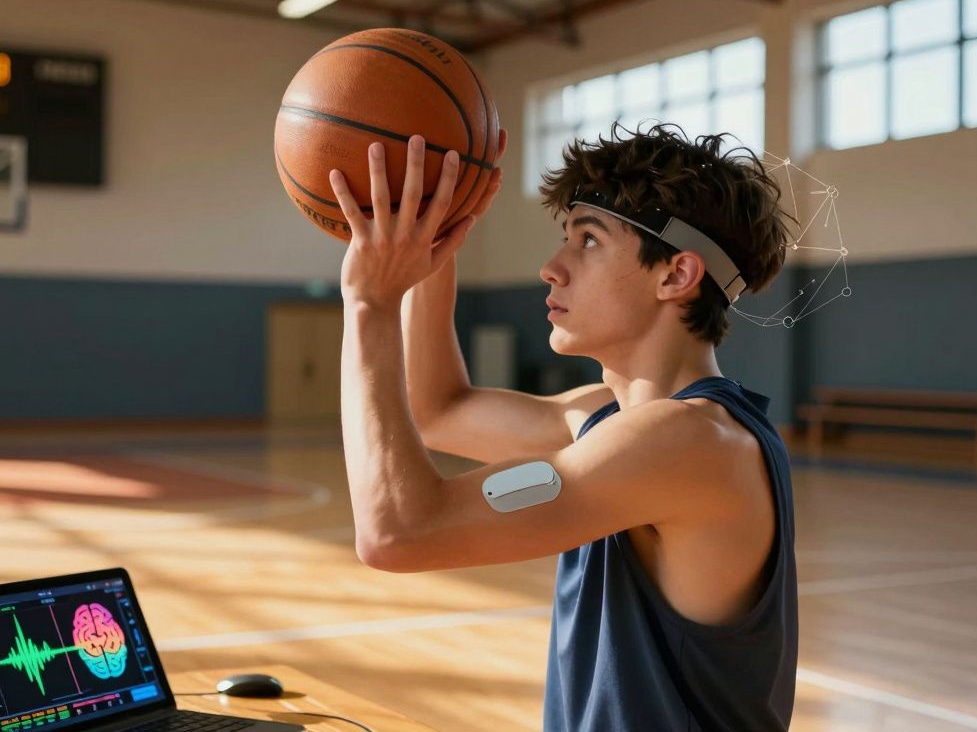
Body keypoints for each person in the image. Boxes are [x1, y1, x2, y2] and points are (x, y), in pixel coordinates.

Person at [327, 123, 797, 731]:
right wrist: (436, 242)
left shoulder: (690, 443)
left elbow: (396, 533)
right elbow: (437, 410)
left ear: (676, 275)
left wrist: (369, 302)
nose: (551, 268)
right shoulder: (605, 417)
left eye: (589, 241)